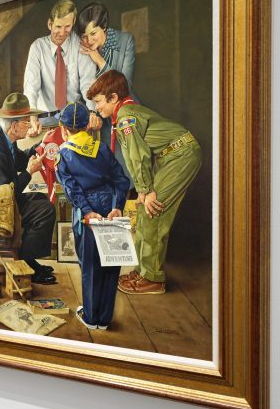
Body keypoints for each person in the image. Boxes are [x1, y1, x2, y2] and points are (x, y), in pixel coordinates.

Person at [86, 70, 202, 295]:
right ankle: (142, 271)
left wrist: (147, 190)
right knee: (143, 209)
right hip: (168, 157)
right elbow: (138, 156)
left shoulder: (126, 117)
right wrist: (143, 190)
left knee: (152, 212)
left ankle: (152, 278)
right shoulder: (125, 112)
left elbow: (138, 156)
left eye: (99, 102)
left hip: (181, 155)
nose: (96, 107)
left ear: (113, 98)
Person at [55, 101, 129, 329]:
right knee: (112, 261)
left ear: (63, 129)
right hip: (109, 206)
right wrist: (117, 206)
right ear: (88, 125)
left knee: (90, 265)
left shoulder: (63, 155)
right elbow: (121, 180)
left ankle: (90, 317)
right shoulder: (103, 149)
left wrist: (87, 212)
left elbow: (72, 191)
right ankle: (104, 318)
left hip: (87, 211)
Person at [0, 92, 57, 284]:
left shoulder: (4, 138)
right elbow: (3, 199)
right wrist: (29, 172)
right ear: (15, 126)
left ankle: (28, 260)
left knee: (40, 199)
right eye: (27, 122)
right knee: (45, 210)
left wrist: (41, 145)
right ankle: (27, 265)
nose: (30, 126)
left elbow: (19, 161)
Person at [75, 2, 136, 188]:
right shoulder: (79, 48)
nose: (88, 41)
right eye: (84, 36)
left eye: (93, 33)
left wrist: (99, 60)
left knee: (126, 172)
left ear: (105, 27)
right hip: (95, 117)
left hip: (123, 113)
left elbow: (124, 85)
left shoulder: (125, 41)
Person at [23, 0, 101, 136]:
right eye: (58, 27)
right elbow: (31, 87)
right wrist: (32, 117)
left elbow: (88, 83)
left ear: (73, 22)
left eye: (67, 27)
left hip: (74, 119)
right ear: (50, 24)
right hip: (44, 121)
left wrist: (92, 111)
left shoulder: (80, 44)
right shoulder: (37, 48)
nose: (62, 32)